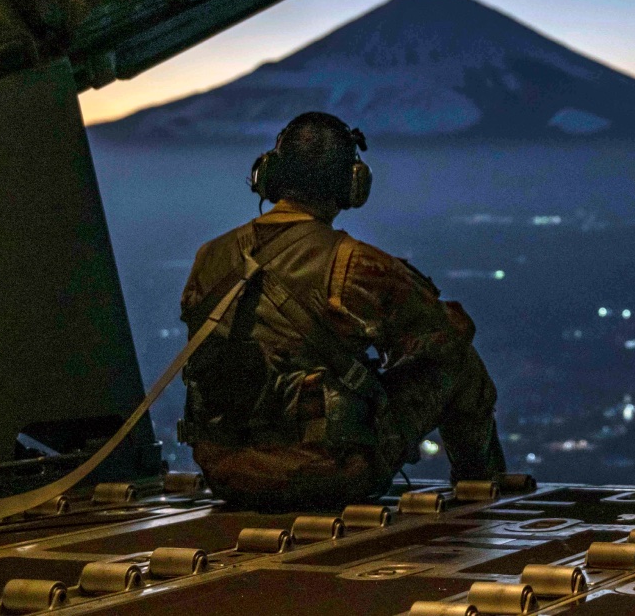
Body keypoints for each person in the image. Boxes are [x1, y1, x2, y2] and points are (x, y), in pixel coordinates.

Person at [178, 112, 506, 509]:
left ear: (268, 175)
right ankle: (483, 492)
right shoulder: (355, 264)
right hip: (329, 472)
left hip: (226, 474)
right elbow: (450, 335)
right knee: (459, 365)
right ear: (352, 184)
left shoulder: (209, 256)